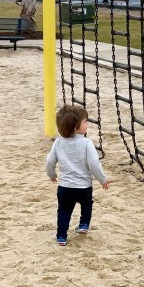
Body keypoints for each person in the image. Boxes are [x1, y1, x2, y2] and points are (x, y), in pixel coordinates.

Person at [45, 104, 109, 246]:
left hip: (65, 187)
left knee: (64, 211)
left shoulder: (58, 142)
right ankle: (84, 224)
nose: (87, 124)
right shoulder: (86, 143)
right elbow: (94, 163)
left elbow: (50, 161)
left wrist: (51, 174)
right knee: (87, 205)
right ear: (76, 127)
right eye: (85, 122)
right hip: (84, 186)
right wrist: (102, 179)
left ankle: (61, 237)